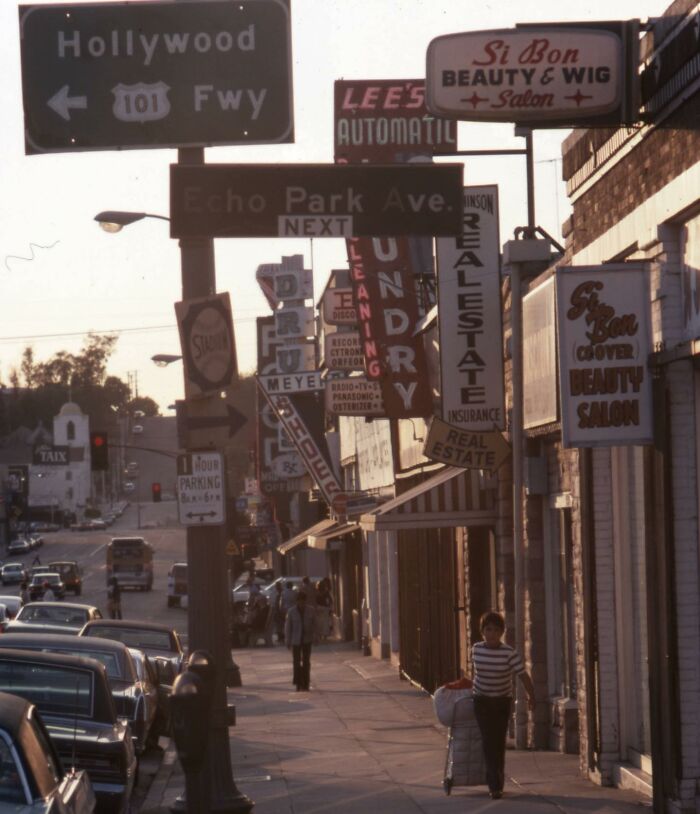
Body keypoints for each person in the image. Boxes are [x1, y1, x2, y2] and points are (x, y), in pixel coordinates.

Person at [471, 611, 535, 800]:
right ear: (482, 631)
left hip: (501, 702)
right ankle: (494, 785)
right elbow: (474, 675)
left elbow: (523, 675)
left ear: (501, 632)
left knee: (498, 742)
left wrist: (532, 696)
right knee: (488, 741)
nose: (491, 634)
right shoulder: (476, 649)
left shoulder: (509, 653)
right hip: (481, 701)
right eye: (488, 629)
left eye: (496, 630)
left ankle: (497, 779)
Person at [284, 591, 316, 691]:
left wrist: (316, 636)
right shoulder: (291, 611)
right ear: (297, 601)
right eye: (300, 601)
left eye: (303, 601)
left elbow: (315, 624)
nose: (302, 604)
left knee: (306, 662)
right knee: (296, 662)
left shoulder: (311, 610)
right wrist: (288, 641)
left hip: (307, 639)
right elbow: (288, 627)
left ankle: (306, 682)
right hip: (296, 640)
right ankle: (298, 683)